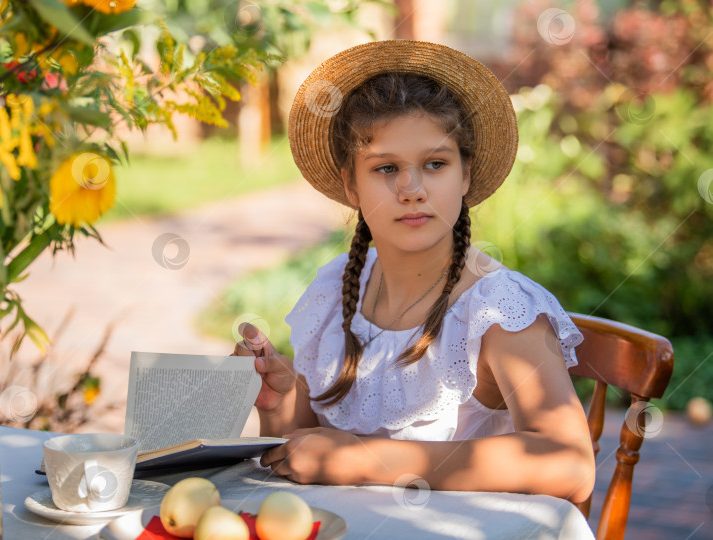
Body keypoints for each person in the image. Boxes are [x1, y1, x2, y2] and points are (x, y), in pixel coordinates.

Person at [231, 40, 595, 504]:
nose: (412, 189)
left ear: (465, 176)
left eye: (435, 164)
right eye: (386, 167)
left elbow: (570, 464)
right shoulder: (336, 288)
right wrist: (278, 406)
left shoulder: (497, 310)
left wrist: (370, 459)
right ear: (350, 185)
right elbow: (305, 453)